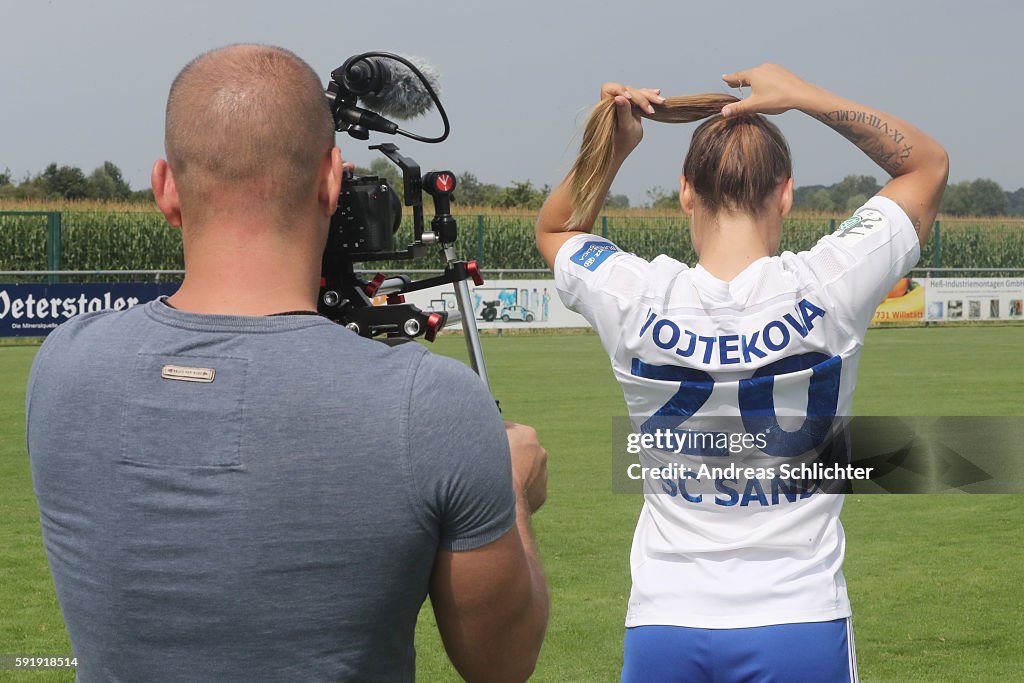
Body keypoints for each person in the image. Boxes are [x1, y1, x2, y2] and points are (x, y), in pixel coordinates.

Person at [26, 44, 549, 682]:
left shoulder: (63, 365)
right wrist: (513, 491)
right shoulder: (431, 401)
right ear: (332, 180)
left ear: (165, 189)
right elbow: (503, 664)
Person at [536, 64, 947, 682]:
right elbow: (926, 166)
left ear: (685, 191)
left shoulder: (634, 293)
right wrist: (805, 96)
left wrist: (613, 146)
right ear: (785, 193)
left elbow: (557, 228)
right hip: (799, 620)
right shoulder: (830, 281)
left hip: (665, 623)